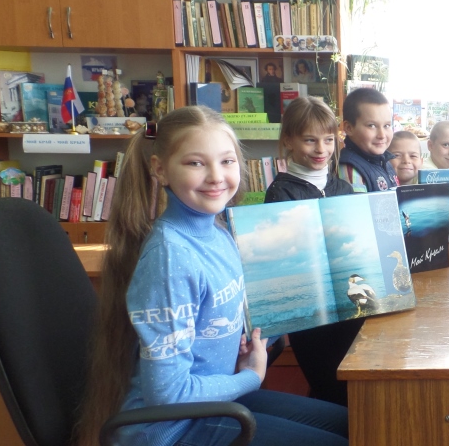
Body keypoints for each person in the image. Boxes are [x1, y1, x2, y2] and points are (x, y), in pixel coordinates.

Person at [77, 106, 349, 446]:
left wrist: (242, 344)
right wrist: (250, 377)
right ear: (160, 169)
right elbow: (169, 395)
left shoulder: (219, 232)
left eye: (227, 161)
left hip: (214, 401)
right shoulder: (171, 256)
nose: (216, 176)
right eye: (196, 163)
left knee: (357, 424)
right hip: (171, 430)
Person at [262, 96, 358, 407]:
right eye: (309, 140)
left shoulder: (343, 188)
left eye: (328, 140)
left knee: (357, 385)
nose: (321, 149)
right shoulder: (280, 193)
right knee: (331, 390)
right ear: (288, 140)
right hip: (309, 315)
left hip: (348, 304)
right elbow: (282, 262)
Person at [338, 88, 398, 192]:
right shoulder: (350, 170)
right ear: (349, 128)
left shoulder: (383, 160)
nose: (382, 135)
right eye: (372, 125)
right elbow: (358, 203)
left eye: (387, 125)